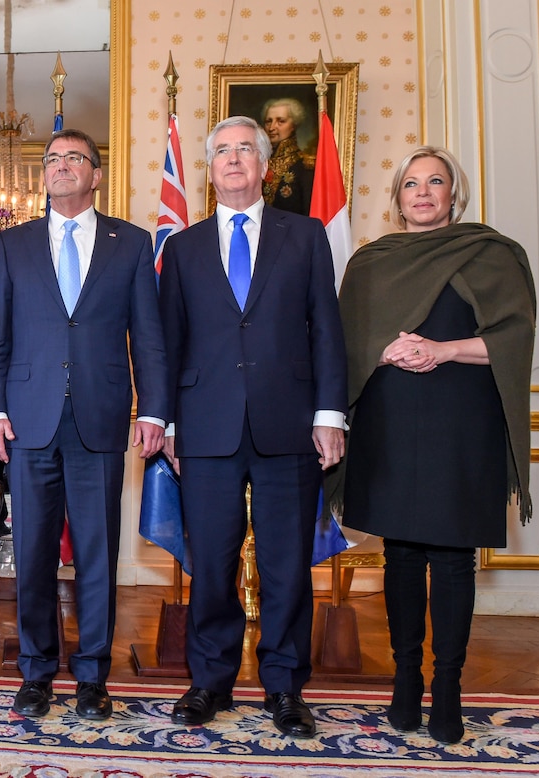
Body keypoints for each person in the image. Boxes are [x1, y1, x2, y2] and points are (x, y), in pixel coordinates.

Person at [332, 147, 535, 744]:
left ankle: (448, 688)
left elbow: (514, 341)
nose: (423, 192)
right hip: (389, 424)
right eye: (411, 184)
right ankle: (404, 682)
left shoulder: (491, 254)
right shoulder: (371, 263)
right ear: (396, 199)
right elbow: (344, 346)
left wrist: (443, 349)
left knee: (451, 560)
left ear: (455, 194)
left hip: (461, 425)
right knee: (400, 557)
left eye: (435, 182)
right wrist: (383, 352)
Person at [158, 116, 347, 738]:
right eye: (222, 151)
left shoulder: (307, 235)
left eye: (246, 149)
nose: (234, 159)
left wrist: (328, 414)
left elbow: (326, 330)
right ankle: (209, 682)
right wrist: (170, 424)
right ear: (209, 169)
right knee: (209, 564)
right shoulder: (181, 248)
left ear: (266, 166)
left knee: (287, 564)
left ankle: (286, 687)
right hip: (205, 427)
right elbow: (168, 344)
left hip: (288, 423)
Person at [0, 128, 168, 721]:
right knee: (32, 554)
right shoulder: (13, 244)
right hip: (28, 421)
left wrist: (155, 410)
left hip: (101, 419)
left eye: (74, 159)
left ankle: (92, 676)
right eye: (52, 159)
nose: (61, 167)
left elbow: (151, 339)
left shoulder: (132, 244)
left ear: (96, 175)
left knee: (97, 554)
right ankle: (36, 673)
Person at [260, 97, 315, 216]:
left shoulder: (305, 166)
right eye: (268, 121)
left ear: (294, 125)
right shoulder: (258, 163)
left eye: (281, 121)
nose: (272, 127)